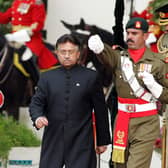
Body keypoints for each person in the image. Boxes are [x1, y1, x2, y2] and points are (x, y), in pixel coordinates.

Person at [88, 17, 168, 168]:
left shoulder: (158, 62)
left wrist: (156, 89)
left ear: (145, 36)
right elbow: (107, 55)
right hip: (122, 120)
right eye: (128, 33)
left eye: (135, 33)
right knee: (119, 165)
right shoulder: (120, 57)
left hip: (146, 121)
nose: (129, 37)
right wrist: (99, 48)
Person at [29, 34, 111, 168]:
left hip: (82, 139)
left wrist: (102, 141)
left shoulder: (91, 77)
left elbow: (100, 110)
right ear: (56, 53)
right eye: (63, 52)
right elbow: (36, 102)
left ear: (78, 54)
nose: (67, 55)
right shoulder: (47, 77)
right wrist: (38, 117)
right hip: (53, 139)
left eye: (71, 52)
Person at [0, 0, 58, 70]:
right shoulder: (17, 2)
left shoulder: (36, 2)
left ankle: (37, 79)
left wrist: (23, 34)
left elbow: (38, 24)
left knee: (28, 57)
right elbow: (4, 18)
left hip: (30, 38)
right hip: (14, 38)